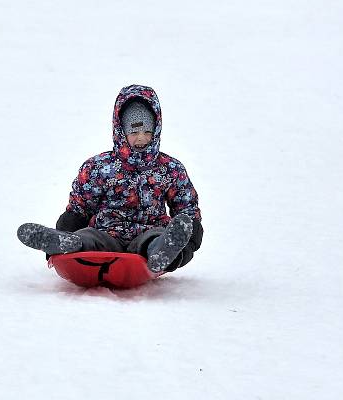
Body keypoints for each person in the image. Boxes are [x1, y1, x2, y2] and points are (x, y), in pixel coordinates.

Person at [17, 84, 203, 274]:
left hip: (149, 234)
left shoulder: (169, 168)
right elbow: (80, 207)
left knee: (156, 237)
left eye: (147, 132)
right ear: (121, 131)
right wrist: (66, 231)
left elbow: (186, 208)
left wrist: (186, 246)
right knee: (89, 237)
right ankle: (67, 243)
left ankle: (162, 252)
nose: (141, 138)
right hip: (107, 233)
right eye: (134, 132)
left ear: (156, 131)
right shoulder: (99, 167)